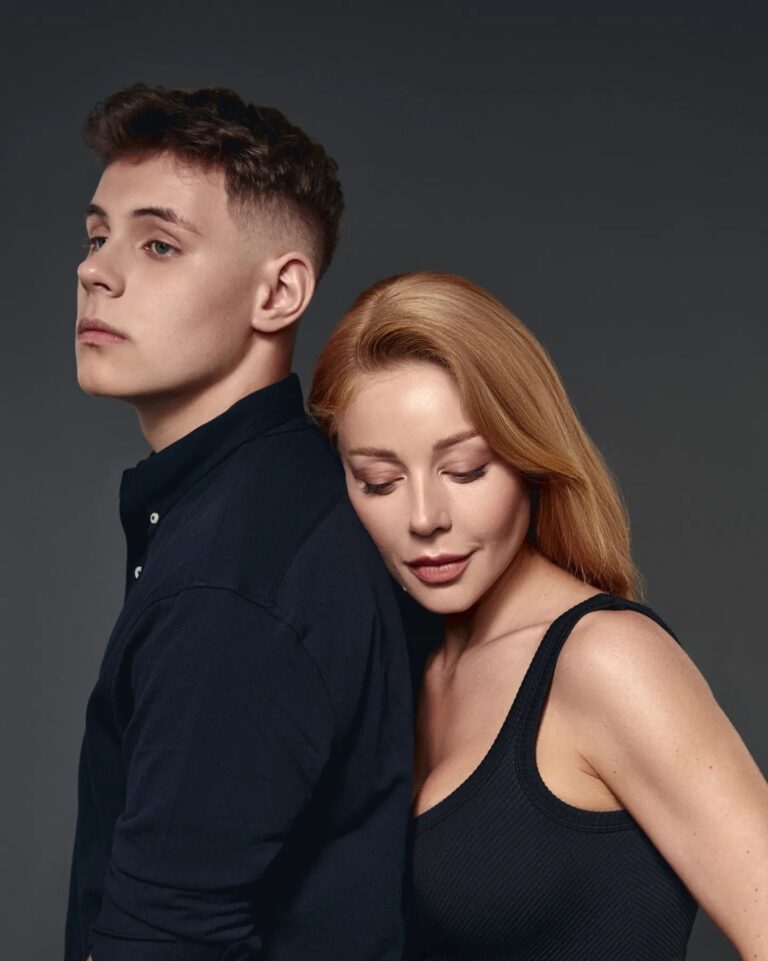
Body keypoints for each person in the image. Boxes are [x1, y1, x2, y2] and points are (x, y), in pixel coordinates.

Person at [308, 271, 768, 961]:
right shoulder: (397, 662)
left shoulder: (606, 660)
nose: (425, 518)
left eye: (466, 470)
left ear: (528, 455)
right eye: (380, 481)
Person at [66, 83, 416, 961]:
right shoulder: (257, 503)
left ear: (280, 292)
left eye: (158, 243)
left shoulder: (234, 581)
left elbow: (163, 942)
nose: (96, 271)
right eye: (98, 236)